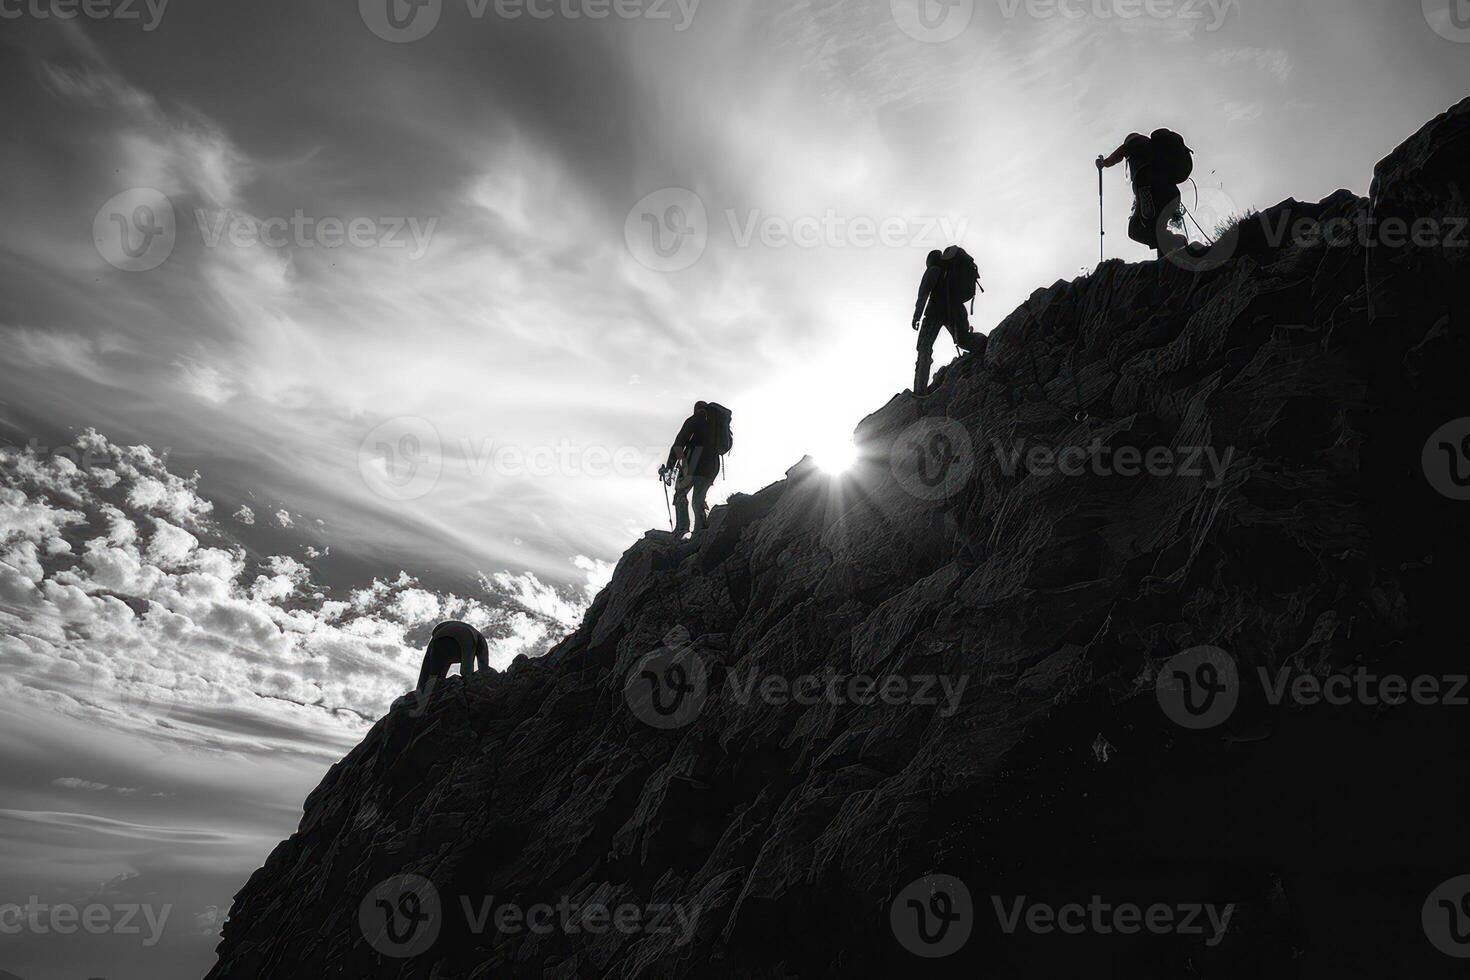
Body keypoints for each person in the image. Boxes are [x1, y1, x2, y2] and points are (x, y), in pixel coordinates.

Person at [1098, 132, 1188, 259]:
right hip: (1170, 193)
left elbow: (1120, 153)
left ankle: (1175, 242)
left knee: (1135, 229)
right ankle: (1165, 260)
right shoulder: (1155, 152)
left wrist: (1104, 163)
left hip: (1149, 191)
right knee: (1157, 227)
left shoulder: (1135, 142)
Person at [912, 248, 984, 396]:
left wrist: (917, 316)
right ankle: (984, 343)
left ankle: (919, 392)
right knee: (964, 340)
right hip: (956, 308)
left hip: (935, 310)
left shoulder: (933, 270)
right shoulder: (953, 272)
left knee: (924, 348)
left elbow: (923, 294)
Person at [660, 402, 722, 537]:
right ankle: (700, 531)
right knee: (698, 499)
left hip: (693, 464)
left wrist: (670, 466)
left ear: (696, 409)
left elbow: (679, 443)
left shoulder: (695, 420)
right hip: (712, 468)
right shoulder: (715, 426)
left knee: (680, 493)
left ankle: (681, 529)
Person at [415, 621, 489, 698]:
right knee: (436, 681)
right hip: (455, 636)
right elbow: (470, 670)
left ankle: (421, 701)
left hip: (438, 637)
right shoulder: (475, 639)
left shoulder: (470, 634)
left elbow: (425, 669)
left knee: (433, 680)